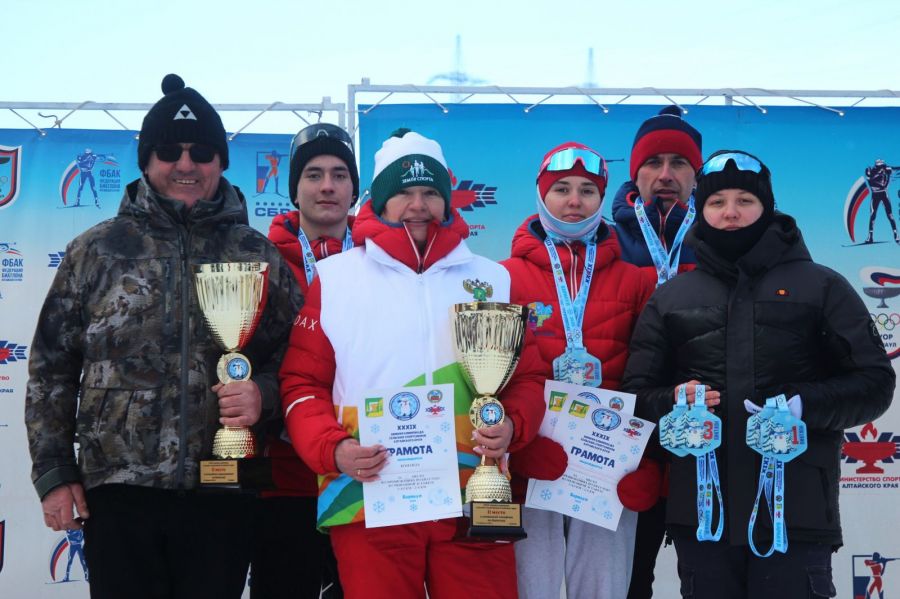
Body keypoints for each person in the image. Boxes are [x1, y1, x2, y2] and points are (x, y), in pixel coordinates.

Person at [25, 74, 302, 599]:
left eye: (201, 151)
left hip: (223, 489)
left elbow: (299, 361)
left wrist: (262, 394)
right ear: (146, 161)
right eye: (169, 151)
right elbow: (51, 369)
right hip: (119, 492)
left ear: (220, 161)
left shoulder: (257, 255)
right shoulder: (96, 251)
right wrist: (56, 473)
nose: (185, 164)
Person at [279, 128, 546, 599]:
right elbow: (301, 382)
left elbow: (527, 377)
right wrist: (333, 449)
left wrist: (513, 426)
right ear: (379, 201)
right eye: (403, 192)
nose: (418, 204)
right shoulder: (336, 278)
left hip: (473, 496)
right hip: (371, 494)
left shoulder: (492, 278)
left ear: (447, 200)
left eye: (429, 192)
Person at [622, 150, 895, 599]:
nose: (730, 212)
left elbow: (874, 383)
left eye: (744, 200)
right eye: (717, 202)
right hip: (703, 518)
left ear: (767, 207)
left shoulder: (822, 285)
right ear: (702, 209)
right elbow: (637, 395)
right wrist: (674, 401)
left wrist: (803, 404)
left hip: (797, 516)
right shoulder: (672, 297)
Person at [501, 141, 657, 599]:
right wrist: (517, 446)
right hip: (532, 456)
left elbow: (647, 377)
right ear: (541, 195)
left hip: (607, 462)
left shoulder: (635, 280)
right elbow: (491, 379)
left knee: (604, 587)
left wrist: (644, 461)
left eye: (588, 190)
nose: (574, 201)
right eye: (562, 189)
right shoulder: (503, 276)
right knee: (531, 585)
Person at [255, 122, 360, 599]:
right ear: (294, 188)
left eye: (339, 175)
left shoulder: (383, 260)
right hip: (285, 479)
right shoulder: (257, 259)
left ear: (355, 188)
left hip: (366, 468)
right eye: (313, 174)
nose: (327, 187)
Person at [610, 106, 704, 599]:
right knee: (628, 578)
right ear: (635, 173)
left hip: (707, 431)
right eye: (653, 163)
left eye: (679, 163)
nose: (665, 175)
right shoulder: (605, 241)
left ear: (697, 174)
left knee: (711, 574)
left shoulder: (721, 241)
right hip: (627, 432)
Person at [864, 159, 900, 244]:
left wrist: (888, 174)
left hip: (883, 194)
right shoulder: (870, 171)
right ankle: (870, 237)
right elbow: (872, 181)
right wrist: (886, 174)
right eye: (880, 167)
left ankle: (896, 235)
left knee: (890, 215)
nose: (882, 168)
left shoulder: (885, 170)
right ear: (876, 166)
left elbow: (885, 185)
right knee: (873, 215)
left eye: (883, 166)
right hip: (875, 194)